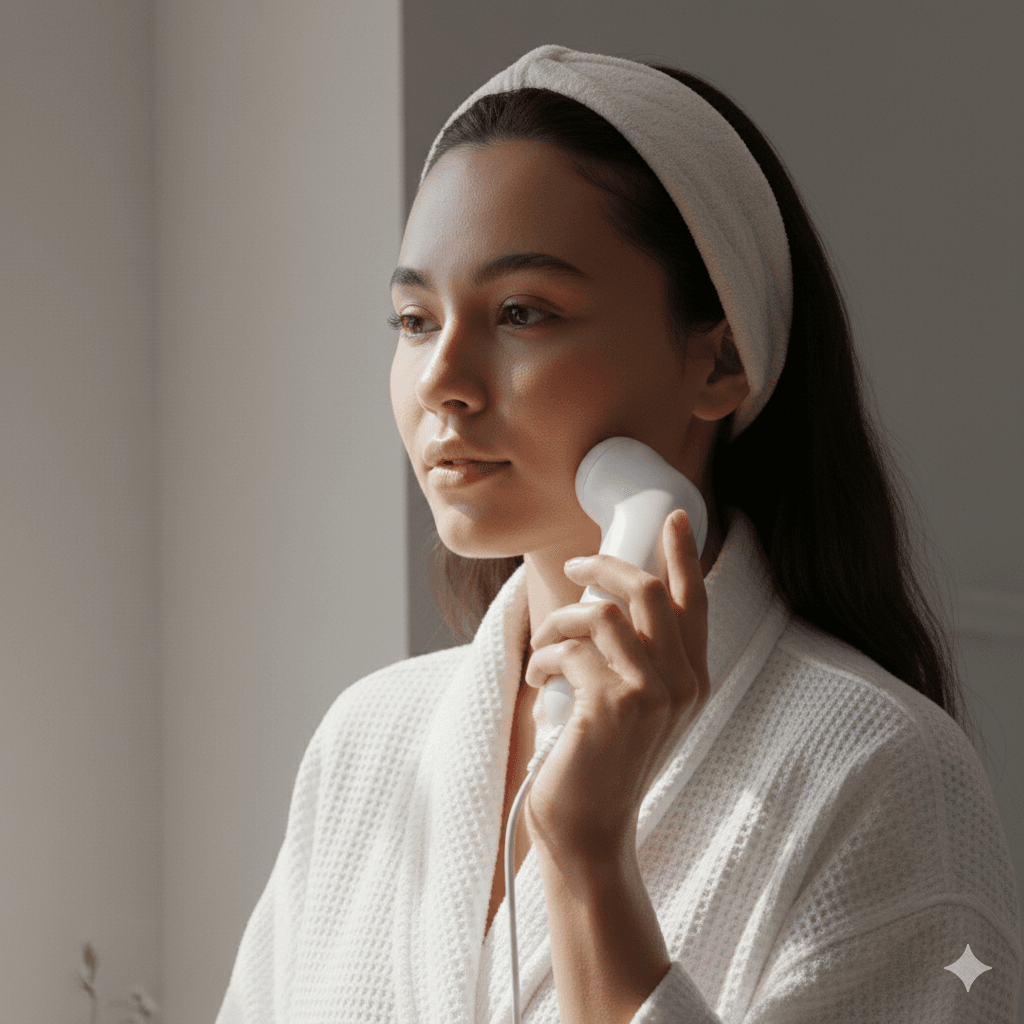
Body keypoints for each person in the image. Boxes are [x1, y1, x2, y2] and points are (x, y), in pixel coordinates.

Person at [215, 45, 1021, 1023]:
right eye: (415, 319)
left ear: (719, 360)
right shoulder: (368, 741)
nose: (442, 381)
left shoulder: (881, 774)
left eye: (522, 312)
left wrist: (589, 857)